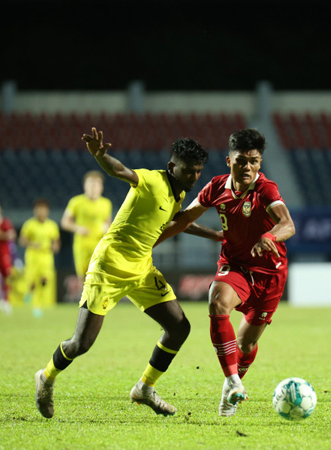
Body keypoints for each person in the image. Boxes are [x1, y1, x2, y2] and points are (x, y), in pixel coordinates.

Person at [34, 127, 214, 419]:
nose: (194, 177)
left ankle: (144, 388)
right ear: (172, 167)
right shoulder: (152, 180)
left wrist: (215, 235)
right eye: (189, 171)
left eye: (198, 171)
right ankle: (46, 376)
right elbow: (121, 171)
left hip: (141, 269)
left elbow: (179, 222)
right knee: (81, 344)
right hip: (110, 266)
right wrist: (100, 156)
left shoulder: (176, 194)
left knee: (179, 327)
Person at [155, 128, 296, 417]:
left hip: (270, 274)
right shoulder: (216, 187)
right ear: (228, 160)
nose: (248, 167)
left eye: (254, 161)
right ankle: (233, 380)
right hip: (235, 267)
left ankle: (230, 386)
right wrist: (149, 242)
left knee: (247, 344)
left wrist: (270, 236)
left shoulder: (266, 189)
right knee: (217, 301)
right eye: (241, 161)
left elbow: (288, 225)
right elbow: (184, 220)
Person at [60, 170, 112, 288]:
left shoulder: (106, 203)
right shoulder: (76, 202)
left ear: (101, 187)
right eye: (91, 184)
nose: (93, 187)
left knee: (99, 273)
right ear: (85, 186)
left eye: (96, 184)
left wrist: (106, 229)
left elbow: (108, 224)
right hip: (82, 244)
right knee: (83, 277)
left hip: (99, 243)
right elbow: (65, 222)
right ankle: (86, 303)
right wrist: (77, 228)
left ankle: (99, 302)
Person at [19, 199, 61, 317]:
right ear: (35, 211)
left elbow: (56, 241)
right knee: (33, 283)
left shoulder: (52, 225)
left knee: (44, 280)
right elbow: (22, 240)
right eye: (38, 209)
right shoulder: (29, 224)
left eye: (43, 209)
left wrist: (55, 247)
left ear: (47, 211)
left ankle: (37, 305)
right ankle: (30, 294)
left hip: (46, 257)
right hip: (32, 257)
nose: (41, 212)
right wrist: (32, 244)